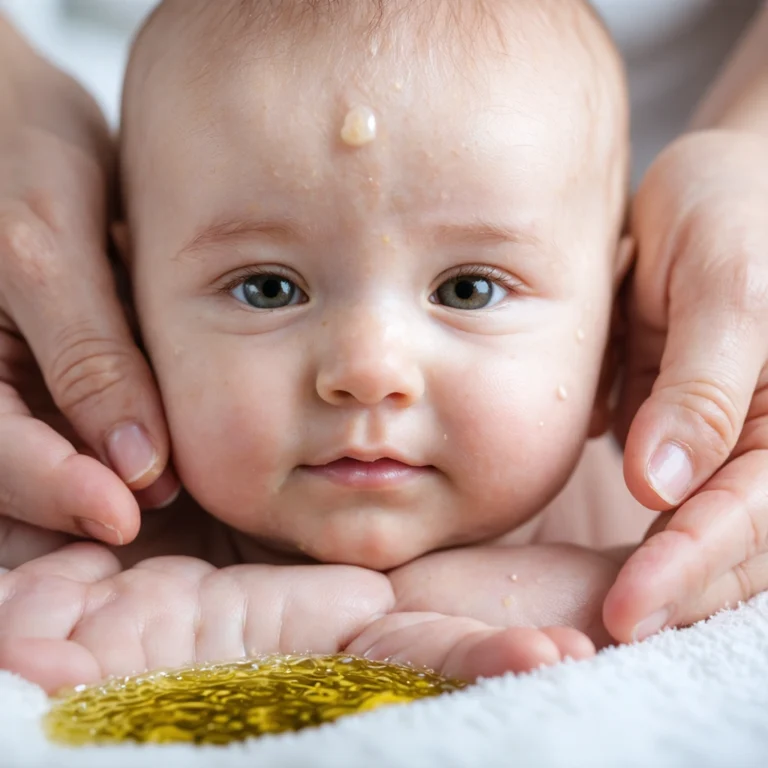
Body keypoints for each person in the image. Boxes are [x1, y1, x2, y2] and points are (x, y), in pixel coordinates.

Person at [0, 0, 766, 647]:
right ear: (127, 308)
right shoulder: (94, 533)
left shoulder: (657, 503)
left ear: (611, 351)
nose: (368, 369)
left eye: (468, 290)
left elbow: (688, 613)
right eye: (267, 289)